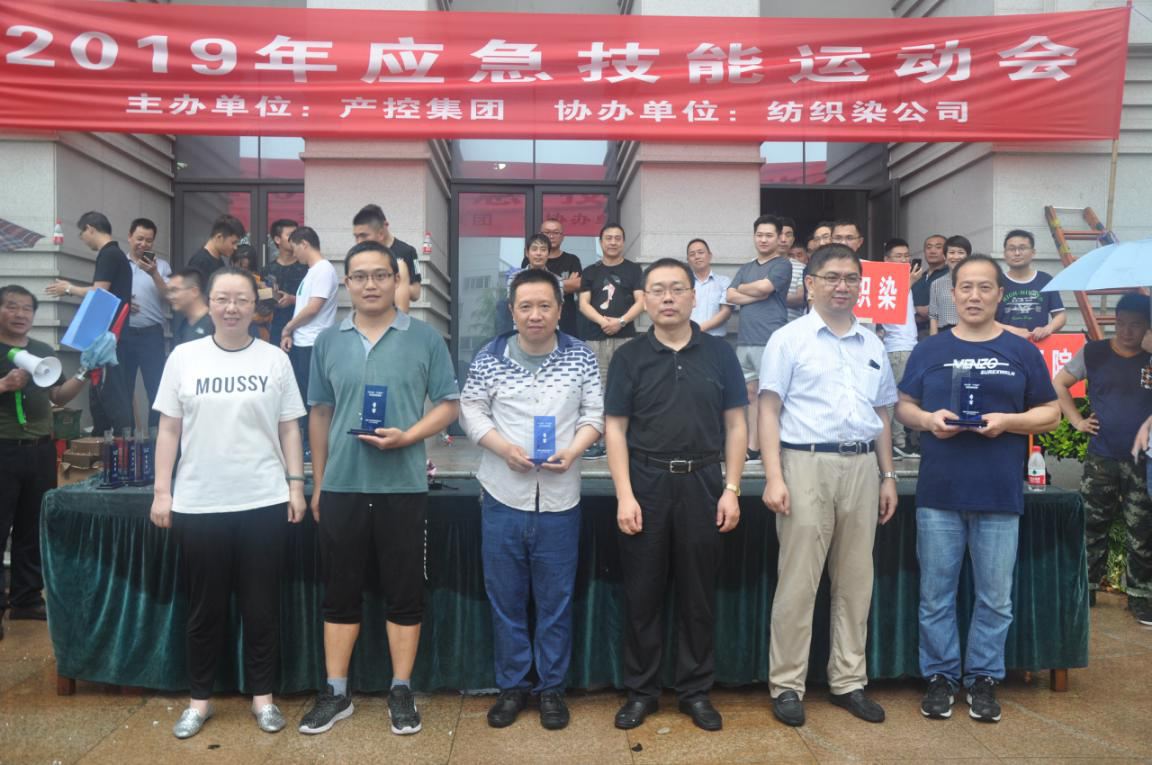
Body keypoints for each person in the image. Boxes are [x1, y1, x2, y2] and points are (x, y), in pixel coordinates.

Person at [298, 241, 459, 737]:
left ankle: (401, 689)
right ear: (346, 284)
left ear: (397, 280)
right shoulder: (328, 341)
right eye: (360, 276)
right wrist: (319, 483)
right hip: (342, 487)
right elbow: (319, 413)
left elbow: (449, 405)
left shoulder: (425, 339)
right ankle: (336, 691)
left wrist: (409, 436)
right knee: (339, 592)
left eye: (381, 275)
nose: (371, 284)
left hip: (402, 487)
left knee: (404, 592)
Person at [896, 254, 1060, 723]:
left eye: (984, 287)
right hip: (939, 493)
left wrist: (1008, 421)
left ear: (999, 295)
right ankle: (940, 676)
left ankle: (984, 678)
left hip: (999, 493)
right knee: (936, 596)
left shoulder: (1021, 351)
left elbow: (1050, 413)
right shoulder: (930, 349)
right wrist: (928, 419)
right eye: (965, 287)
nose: (974, 296)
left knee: (995, 598)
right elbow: (904, 406)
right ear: (953, 294)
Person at [149, 267, 307, 739]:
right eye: (223, 298)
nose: (231, 308)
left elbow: (290, 428)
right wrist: (162, 491)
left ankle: (263, 698)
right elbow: (169, 430)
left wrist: (295, 486)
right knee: (205, 609)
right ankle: (199, 701)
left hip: (263, 499)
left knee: (261, 607)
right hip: (200, 502)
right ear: (209, 302)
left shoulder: (274, 360)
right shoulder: (183, 357)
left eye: (241, 299)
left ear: (255, 306)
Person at [759, 243, 899, 729]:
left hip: (862, 467)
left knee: (856, 581)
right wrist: (773, 476)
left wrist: (887, 476)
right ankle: (787, 685)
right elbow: (768, 410)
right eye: (832, 277)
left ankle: (848, 681)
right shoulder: (788, 339)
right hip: (805, 464)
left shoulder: (873, 343)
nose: (843, 286)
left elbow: (881, 414)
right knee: (798, 582)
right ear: (811, 284)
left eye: (851, 278)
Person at [605, 258, 747, 733]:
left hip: (704, 482)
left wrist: (731, 488)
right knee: (642, 593)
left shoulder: (720, 354)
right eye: (658, 290)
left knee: (697, 594)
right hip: (646, 483)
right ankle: (641, 692)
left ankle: (695, 691)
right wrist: (625, 495)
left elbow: (736, 425)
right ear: (644, 299)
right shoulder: (629, 357)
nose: (667, 298)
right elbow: (615, 429)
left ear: (693, 296)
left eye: (677, 289)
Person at [459, 268, 604, 731]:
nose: (535, 314)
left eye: (545, 305)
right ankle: (513, 686)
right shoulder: (489, 357)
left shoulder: (581, 356)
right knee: (506, 598)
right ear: (512, 311)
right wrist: (502, 448)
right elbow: (470, 409)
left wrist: (574, 450)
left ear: (560, 310)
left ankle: (552, 689)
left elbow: (595, 414)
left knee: (555, 599)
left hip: (561, 498)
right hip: (502, 495)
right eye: (526, 306)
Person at [1055, 293, 1152, 625]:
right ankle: (1088, 587)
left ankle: (1140, 595)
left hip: (1143, 460)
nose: (1126, 332)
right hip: (1102, 455)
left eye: (1135, 325)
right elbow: (1060, 382)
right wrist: (1077, 421)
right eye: (1120, 323)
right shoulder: (1094, 352)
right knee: (1092, 524)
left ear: (1148, 326)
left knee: (1142, 528)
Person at [0, 285, 92, 632]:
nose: (20, 314)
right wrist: (4, 385)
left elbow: (58, 395)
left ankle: (25, 599)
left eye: (27, 308)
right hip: (4, 448)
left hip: (40, 448)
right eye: (12, 307)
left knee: (32, 525)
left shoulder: (40, 350)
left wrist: (84, 373)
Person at [45, 211, 134, 433]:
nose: (83, 239)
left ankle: (118, 443)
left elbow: (98, 292)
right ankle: (110, 439)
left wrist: (68, 289)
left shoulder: (109, 254)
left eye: (82, 234)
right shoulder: (116, 255)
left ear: (90, 229)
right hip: (112, 338)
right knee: (106, 396)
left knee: (111, 398)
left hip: (110, 341)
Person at [726, 214, 792, 461]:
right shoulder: (746, 267)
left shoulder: (782, 264)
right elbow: (730, 295)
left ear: (779, 237)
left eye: (768, 235)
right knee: (751, 395)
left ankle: (772, 447)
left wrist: (746, 289)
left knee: (771, 397)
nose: (763, 240)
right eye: (759, 235)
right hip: (745, 340)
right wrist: (756, 293)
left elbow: (766, 288)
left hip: (769, 338)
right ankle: (753, 447)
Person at [577, 223, 644, 459]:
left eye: (617, 238)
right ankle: (599, 441)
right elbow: (583, 304)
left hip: (626, 339)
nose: (613, 242)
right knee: (597, 391)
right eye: (608, 238)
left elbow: (641, 301)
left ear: (623, 242)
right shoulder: (590, 271)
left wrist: (621, 322)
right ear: (601, 242)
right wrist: (603, 322)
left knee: (628, 387)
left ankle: (627, 440)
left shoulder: (634, 270)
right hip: (595, 339)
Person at [279, 227, 339, 457]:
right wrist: (292, 300)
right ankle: (309, 446)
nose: (294, 254)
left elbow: (314, 308)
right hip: (304, 342)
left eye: (295, 248)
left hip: (313, 343)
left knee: (313, 399)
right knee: (305, 396)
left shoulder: (323, 269)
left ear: (304, 243)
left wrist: (288, 327)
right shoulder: (313, 271)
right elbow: (308, 302)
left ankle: (312, 447)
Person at [120, 218, 171, 428]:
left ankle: (156, 439)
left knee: (156, 391)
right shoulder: (119, 264)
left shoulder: (162, 266)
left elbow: (169, 297)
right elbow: (103, 295)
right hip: (124, 335)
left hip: (152, 336)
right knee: (123, 391)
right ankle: (126, 439)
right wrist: (122, 303)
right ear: (129, 237)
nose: (144, 244)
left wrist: (154, 273)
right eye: (140, 239)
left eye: (149, 240)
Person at [877, 238, 922, 459]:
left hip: (908, 346)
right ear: (886, 260)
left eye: (906, 256)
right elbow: (884, 310)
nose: (904, 260)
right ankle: (896, 442)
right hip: (897, 347)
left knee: (902, 395)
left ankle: (898, 441)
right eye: (898, 256)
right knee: (894, 397)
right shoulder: (886, 281)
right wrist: (908, 283)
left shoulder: (903, 280)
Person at [997, 229, 1066, 341]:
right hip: (1003, 342)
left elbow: (1060, 315)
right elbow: (985, 320)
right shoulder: (996, 282)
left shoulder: (1045, 280)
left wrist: (1048, 328)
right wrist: (1012, 330)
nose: (1017, 253)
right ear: (1004, 254)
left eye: (1022, 248)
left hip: (1039, 343)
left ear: (1033, 252)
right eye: (1011, 249)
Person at [352, 204, 419, 310]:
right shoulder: (358, 255)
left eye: (364, 235)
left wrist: (394, 283)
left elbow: (416, 293)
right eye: (356, 237)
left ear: (384, 227)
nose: (359, 242)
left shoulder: (408, 251)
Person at [528, 218, 583, 338]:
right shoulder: (531, 259)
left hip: (566, 322)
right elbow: (530, 287)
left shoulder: (572, 260)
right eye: (547, 232)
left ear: (562, 237)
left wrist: (544, 285)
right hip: (537, 322)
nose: (551, 236)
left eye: (556, 233)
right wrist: (566, 284)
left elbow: (578, 284)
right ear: (540, 234)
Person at [261, 219, 306, 348]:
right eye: (290, 235)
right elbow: (262, 300)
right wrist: (270, 296)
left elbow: (315, 300)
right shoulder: (267, 269)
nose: (295, 239)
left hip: (301, 330)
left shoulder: (306, 267)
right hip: (273, 329)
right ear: (277, 239)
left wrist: (292, 300)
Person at [686, 238, 732, 337]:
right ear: (688, 260)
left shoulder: (724, 282)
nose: (697, 257)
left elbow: (726, 312)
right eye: (692, 254)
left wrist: (697, 330)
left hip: (715, 339)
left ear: (710, 256)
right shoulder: (683, 284)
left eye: (701, 252)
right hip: (687, 339)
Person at [928, 236, 972, 335]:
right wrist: (933, 341)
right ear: (945, 257)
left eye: (960, 252)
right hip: (945, 334)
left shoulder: (975, 281)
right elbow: (933, 317)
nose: (956, 257)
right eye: (952, 252)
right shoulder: (937, 284)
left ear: (968, 257)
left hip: (970, 333)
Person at [187, 214, 245, 286]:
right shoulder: (200, 262)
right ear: (219, 237)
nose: (235, 247)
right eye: (233, 243)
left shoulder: (218, 260)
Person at [912, 234, 949, 336]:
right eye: (929, 247)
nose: (932, 251)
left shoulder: (950, 275)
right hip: (914, 334)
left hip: (941, 333)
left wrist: (919, 310)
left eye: (938, 247)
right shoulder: (918, 277)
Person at [167, 270, 214, 346]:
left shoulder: (215, 324)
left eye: (174, 290)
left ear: (194, 291)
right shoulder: (184, 325)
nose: (170, 296)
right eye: (169, 291)